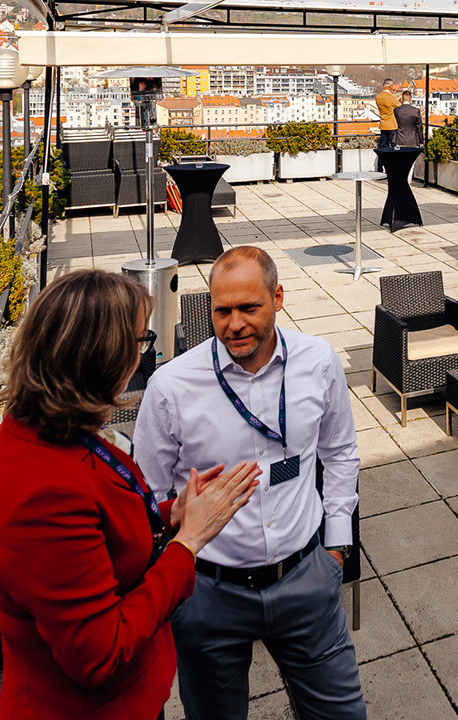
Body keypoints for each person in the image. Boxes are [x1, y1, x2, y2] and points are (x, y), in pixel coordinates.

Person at [0, 270, 262, 720]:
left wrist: (171, 514)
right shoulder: (44, 496)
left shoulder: (43, 429)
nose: (141, 355)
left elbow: (98, 536)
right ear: (102, 358)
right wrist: (188, 542)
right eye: (140, 341)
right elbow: (101, 653)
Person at [135, 246, 365, 720]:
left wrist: (336, 548)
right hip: (209, 596)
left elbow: (340, 452)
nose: (234, 324)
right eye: (222, 311)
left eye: (249, 308)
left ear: (278, 297)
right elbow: (148, 495)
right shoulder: (171, 387)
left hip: (306, 579)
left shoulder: (318, 361)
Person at [375, 78, 398, 149]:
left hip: (383, 124)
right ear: (390, 86)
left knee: (383, 146)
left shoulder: (378, 97)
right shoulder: (392, 97)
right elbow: (400, 107)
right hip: (392, 125)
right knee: (394, 146)